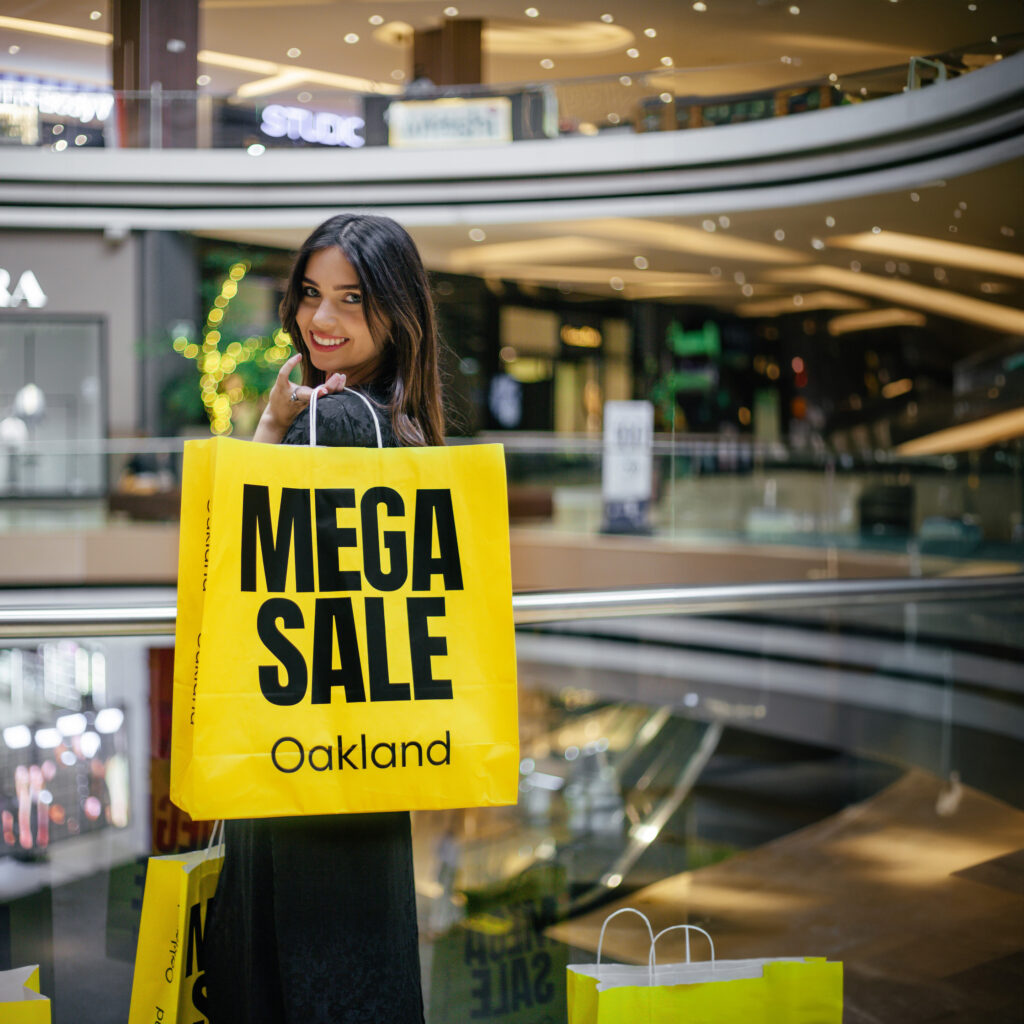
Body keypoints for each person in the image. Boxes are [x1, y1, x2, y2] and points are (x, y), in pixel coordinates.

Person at [204, 213, 444, 1024]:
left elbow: (231, 570)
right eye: (310, 294)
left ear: (396, 313)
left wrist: (275, 427)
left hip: (296, 767)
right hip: (364, 766)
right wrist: (280, 423)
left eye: (351, 298)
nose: (321, 318)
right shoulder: (402, 424)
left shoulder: (336, 422)